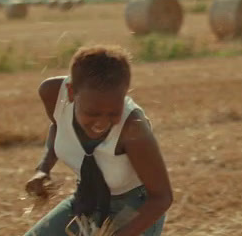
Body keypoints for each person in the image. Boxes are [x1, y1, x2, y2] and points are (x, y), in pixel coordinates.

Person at [24, 45, 172, 236]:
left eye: (113, 113)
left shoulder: (133, 127)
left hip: (137, 207)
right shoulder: (53, 93)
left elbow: (162, 197)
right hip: (88, 198)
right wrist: (43, 169)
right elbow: (59, 127)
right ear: (71, 92)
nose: (102, 122)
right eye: (92, 113)